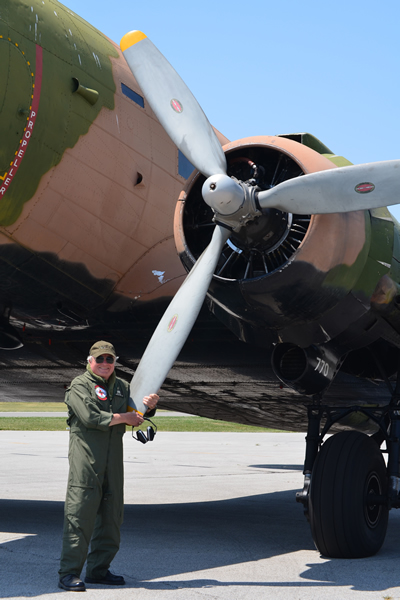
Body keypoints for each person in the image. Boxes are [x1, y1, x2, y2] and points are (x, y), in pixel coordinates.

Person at [58, 340, 159, 592]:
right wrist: (125, 417)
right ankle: (69, 573)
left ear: (115, 362)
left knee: (112, 517)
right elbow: (90, 417)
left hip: (113, 463)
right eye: (100, 359)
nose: (105, 363)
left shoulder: (122, 387)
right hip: (87, 462)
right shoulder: (80, 385)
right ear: (90, 361)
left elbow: (135, 414)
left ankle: (98, 570)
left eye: (109, 359)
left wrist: (149, 408)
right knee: (80, 516)